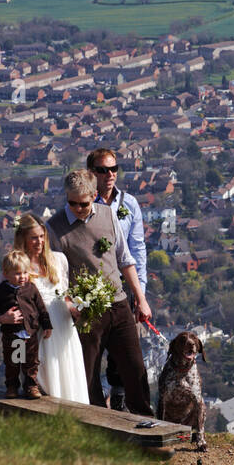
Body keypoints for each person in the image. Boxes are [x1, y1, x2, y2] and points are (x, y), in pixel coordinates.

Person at [45, 168, 154, 415]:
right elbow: (55, 276)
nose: (76, 208)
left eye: (82, 204)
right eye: (71, 202)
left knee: (134, 367)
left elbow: (125, 259)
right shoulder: (54, 227)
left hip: (118, 304)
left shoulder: (108, 215)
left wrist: (141, 298)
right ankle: (98, 424)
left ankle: (146, 422)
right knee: (88, 372)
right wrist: (70, 305)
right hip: (85, 311)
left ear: (94, 195)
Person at [89, 147, 148, 410]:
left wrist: (141, 294)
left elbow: (137, 250)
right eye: (103, 170)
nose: (110, 175)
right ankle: (94, 403)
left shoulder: (129, 204)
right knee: (93, 348)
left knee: (126, 350)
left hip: (125, 287)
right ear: (92, 173)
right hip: (93, 288)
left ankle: (121, 399)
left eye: (114, 169)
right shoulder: (83, 203)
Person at [12, 212, 89, 404]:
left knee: (68, 375)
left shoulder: (59, 260)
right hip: (39, 331)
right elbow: (8, 298)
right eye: (33, 238)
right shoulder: (18, 267)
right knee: (45, 378)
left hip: (63, 328)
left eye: (41, 236)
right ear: (23, 239)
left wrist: (77, 309)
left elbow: (65, 295)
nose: (38, 242)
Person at [0, 250, 51, 399]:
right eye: (17, 274)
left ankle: (31, 386)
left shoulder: (31, 288)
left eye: (25, 273)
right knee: (13, 362)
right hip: (12, 335)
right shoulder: (1, 291)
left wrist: (47, 325)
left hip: (29, 333)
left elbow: (41, 308)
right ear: (6, 274)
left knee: (31, 362)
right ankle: (12, 386)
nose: (22, 277)